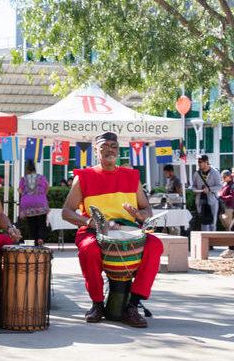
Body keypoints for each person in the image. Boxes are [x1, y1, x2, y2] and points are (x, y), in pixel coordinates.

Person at [62, 132, 163, 328]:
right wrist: (92, 223)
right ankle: (97, 304)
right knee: (88, 249)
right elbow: (66, 212)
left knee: (155, 245)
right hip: (93, 230)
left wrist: (141, 215)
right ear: (96, 150)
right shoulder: (84, 177)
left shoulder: (131, 176)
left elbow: (146, 208)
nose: (110, 149)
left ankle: (132, 305)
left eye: (114, 146)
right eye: (104, 146)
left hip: (128, 229)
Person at [18, 160, 50, 246]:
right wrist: (41, 195)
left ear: (27, 170)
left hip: (28, 204)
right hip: (40, 202)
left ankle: (35, 242)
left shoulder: (23, 179)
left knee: (32, 225)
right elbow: (47, 188)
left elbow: (20, 190)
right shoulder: (41, 178)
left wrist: (27, 195)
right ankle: (41, 238)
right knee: (42, 223)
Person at [192, 156, 221, 231]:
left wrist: (209, 189)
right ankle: (204, 241)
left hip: (212, 200)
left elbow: (219, 186)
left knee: (212, 223)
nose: (199, 164)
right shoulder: (197, 173)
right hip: (200, 200)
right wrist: (195, 190)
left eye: (200, 162)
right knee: (203, 222)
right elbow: (193, 186)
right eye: (198, 162)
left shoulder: (214, 172)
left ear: (206, 162)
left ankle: (212, 241)